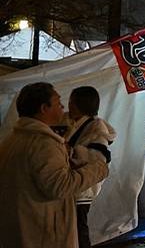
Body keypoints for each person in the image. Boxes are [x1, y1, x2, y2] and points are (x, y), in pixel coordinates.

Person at [0, 82, 109, 248]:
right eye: (59, 103)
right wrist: (99, 168)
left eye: (69, 102)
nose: (64, 107)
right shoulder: (42, 143)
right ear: (44, 108)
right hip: (43, 232)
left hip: (25, 227)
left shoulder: (11, 140)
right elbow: (60, 185)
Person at [64, 86, 116, 248]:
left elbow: (97, 158)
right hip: (73, 187)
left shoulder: (96, 128)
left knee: (79, 231)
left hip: (82, 189)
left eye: (71, 102)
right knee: (73, 231)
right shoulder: (71, 122)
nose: (68, 105)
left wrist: (69, 151)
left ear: (81, 104)